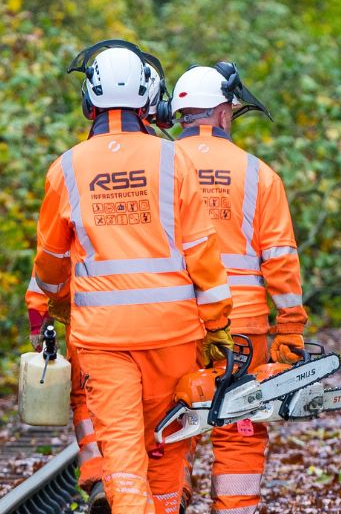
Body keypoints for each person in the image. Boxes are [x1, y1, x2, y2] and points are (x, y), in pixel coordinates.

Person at [27, 42, 233, 514]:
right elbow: (203, 252)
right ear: (149, 100)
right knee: (165, 449)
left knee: (121, 457)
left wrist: (44, 313)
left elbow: (51, 261)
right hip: (174, 335)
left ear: (89, 102)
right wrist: (218, 325)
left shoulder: (66, 168)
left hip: (103, 341)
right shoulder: (173, 159)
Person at [167, 62, 305, 514]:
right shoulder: (259, 175)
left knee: (168, 425)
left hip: (174, 327)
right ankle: (235, 507)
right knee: (239, 428)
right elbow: (281, 261)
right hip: (243, 327)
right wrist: (290, 330)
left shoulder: (158, 168)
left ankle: (166, 501)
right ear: (225, 113)